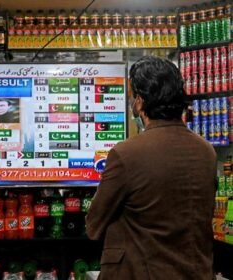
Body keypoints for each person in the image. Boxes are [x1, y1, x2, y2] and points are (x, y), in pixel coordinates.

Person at [85, 56, 216, 280]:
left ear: (140, 101)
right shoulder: (206, 151)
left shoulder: (126, 154)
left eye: (132, 96)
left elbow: (94, 226)